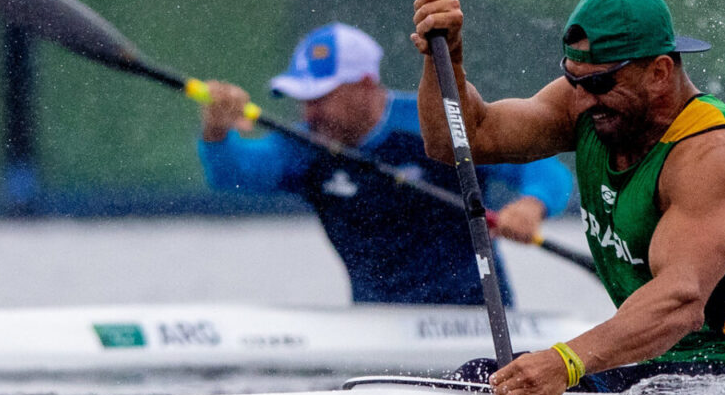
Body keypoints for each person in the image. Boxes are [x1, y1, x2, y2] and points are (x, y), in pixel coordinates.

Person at [411, 0, 725, 395]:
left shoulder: (718, 157)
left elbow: (681, 304)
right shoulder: (588, 102)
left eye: (601, 83)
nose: (583, 100)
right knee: (482, 379)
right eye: (574, 80)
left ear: (660, 71)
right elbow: (461, 139)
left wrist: (564, 362)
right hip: (652, 370)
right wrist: (446, 59)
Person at [196, 22, 573, 307]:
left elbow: (546, 171)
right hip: (375, 326)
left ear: (364, 84)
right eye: (302, 98)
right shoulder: (306, 147)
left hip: (473, 320)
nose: (309, 112)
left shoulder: (431, 124)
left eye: (320, 97)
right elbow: (234, 173)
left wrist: (530, 205)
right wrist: (216, 130)